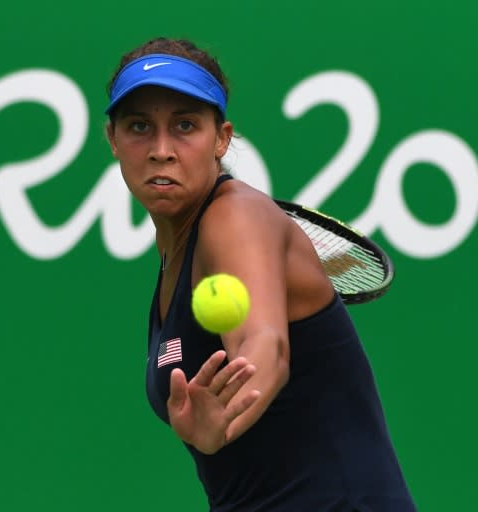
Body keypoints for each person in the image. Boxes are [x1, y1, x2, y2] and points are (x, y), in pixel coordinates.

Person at [105, 37, 416, 511]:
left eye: (185, 126)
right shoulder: (175, 248)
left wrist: (231, 410)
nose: (161, 149)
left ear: (222, 139)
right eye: (139, 126)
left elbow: (263, 345)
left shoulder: (236, 218)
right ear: (113, 139)